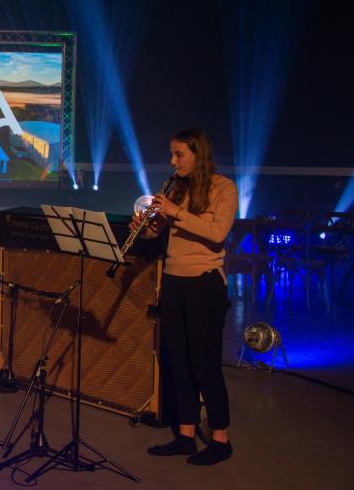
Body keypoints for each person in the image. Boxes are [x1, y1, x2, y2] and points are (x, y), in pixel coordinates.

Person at [132, 128, 237, 466]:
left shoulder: (224, 188)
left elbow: (217, 233)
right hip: (174, 281)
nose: (172, 162)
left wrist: (175, 211)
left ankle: (221, 438)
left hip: (205, 283)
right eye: (172, 155)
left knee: (204, 363)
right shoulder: (178, 188)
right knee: (178, 359)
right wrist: (146, 224)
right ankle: (186, 435)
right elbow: (159, 233)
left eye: (179, 155)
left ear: (198, 154)